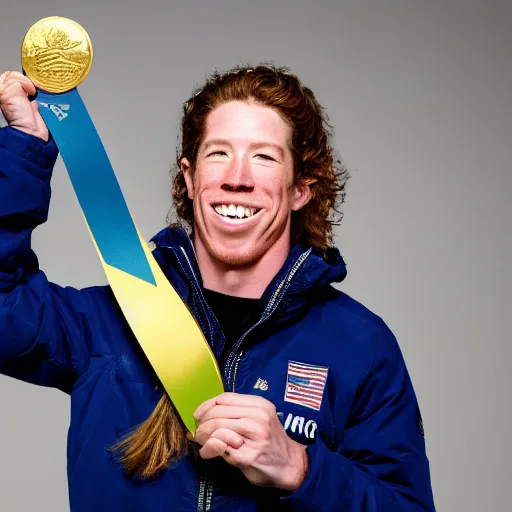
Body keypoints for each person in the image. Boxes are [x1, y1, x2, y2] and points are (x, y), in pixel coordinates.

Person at [0, 65, 436, 511]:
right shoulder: (105, 322)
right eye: (219, 153)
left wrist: (302, 469)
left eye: (264, 157)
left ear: (301, 189)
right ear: (189, 178)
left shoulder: (362, 345)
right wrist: (24, 149)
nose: (238, 177)